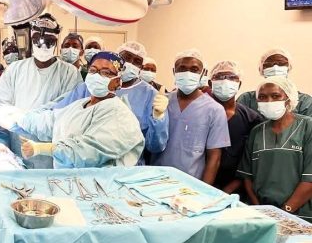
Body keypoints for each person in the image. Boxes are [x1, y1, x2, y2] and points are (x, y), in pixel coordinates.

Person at [16, 52, 144, 168]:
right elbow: (52, 122)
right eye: (93, 70)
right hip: (68, 180)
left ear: (118, 81)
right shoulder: (79, 105)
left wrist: (42, 148)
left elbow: (88, 152)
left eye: (106, 73)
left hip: (98, 184)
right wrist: (18, 119)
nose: (97, 76)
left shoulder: (119, 114)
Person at [52, 41, 169, 161]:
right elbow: (57, 113)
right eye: (127, 57)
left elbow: (155, 146)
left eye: (137, 61)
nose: (130, 63)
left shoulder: (150, 95)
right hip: (83, 158)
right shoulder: (92, 85)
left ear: (141, 67)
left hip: (126, 165)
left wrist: (158, 118)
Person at [151, 49, 230, 183]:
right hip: (156, 178)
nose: (188, 73)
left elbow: (214, 157)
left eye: (194, 69)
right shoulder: (162, 102)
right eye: (182, 69)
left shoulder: (215, 110)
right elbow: (150, 143)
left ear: (202, 73)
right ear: (174, 72)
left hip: (189, 184)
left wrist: (203, 190)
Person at [238, 77, 312, 217]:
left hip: (300, 215)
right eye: (262, 97)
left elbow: (310, 179)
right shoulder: (257, 132)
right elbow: (247, 177)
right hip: (264, 214)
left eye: (276, 96)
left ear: (289, 99)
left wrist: (284, 212)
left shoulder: (307, 127)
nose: (269, 101)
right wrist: (260, 210)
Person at [0, 13, 82, 110]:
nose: (43, 45)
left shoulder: (70, 73)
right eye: (37, 39)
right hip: (16, 120)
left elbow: (70, 106)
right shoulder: (14, 69)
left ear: (56, 42)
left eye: (49, 41)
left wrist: (32, 117)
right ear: (31, 39)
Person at [208, 61, 262, 194]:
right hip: (197, 181)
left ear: (239, 84)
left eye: (232, 77)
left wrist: (228, 191)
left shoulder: (252, 119)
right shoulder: (200, 112)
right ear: (210, 83)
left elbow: (251, 162)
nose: (225, 81)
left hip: (234, 188)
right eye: (220, 77)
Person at [237, 48, 312, 116]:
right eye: (269, 64)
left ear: (289, 68)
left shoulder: (304, 102)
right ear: (261, 69)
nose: (275, 68)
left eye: (281, 63)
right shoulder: (247, 99)